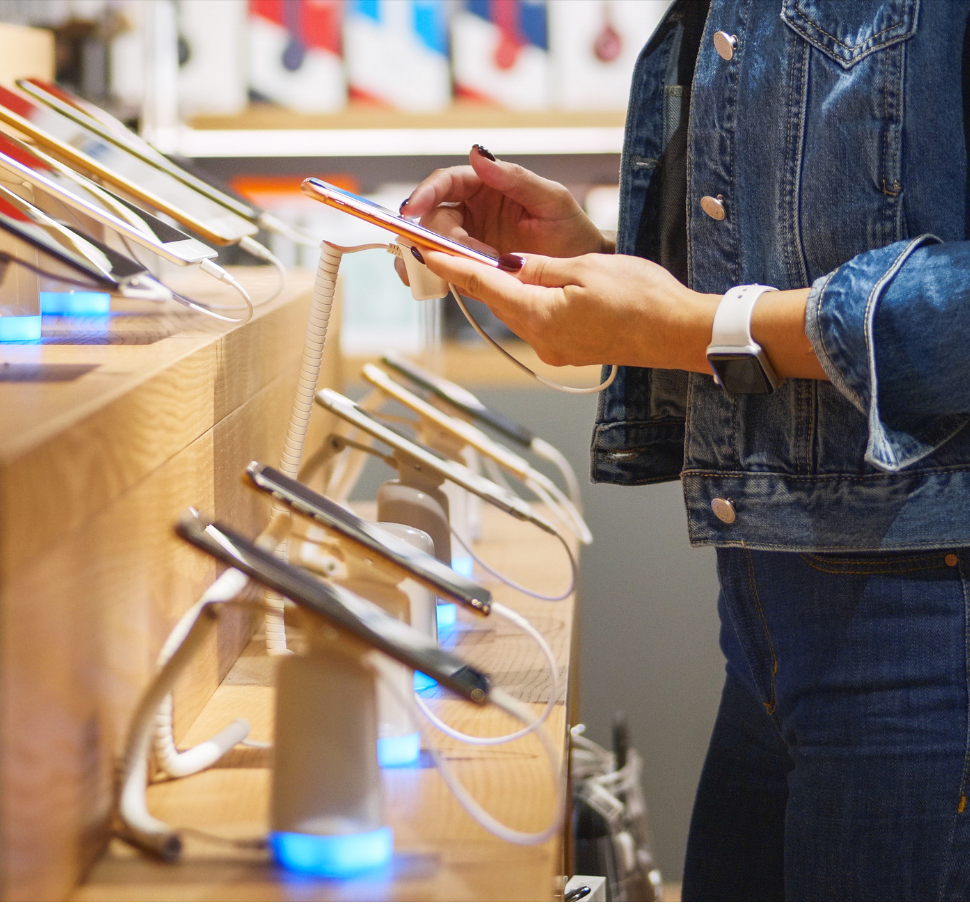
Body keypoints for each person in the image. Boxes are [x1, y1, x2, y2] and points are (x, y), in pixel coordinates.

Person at [398, 0, 970, 902]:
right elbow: (792, 246)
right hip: (767, 611)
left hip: (924, 610)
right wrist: (599, 264)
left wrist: (694, 328)